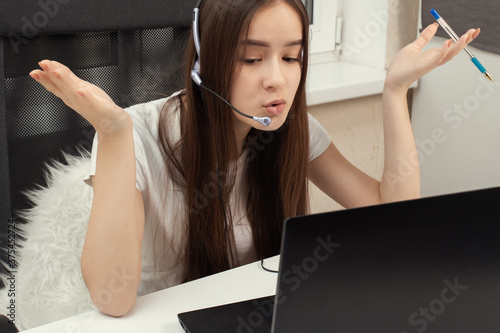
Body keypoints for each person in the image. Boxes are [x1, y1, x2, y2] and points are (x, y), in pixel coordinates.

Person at [28, 0, 479, 317]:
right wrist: (113, 134)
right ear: (206, 63)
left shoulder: (290, 129)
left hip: (254, 311)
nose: (277, 81)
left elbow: (392, 215)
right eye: (251, 59)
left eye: (292, 57)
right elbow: (113, 298)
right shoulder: (138, 134)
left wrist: (394, 90)